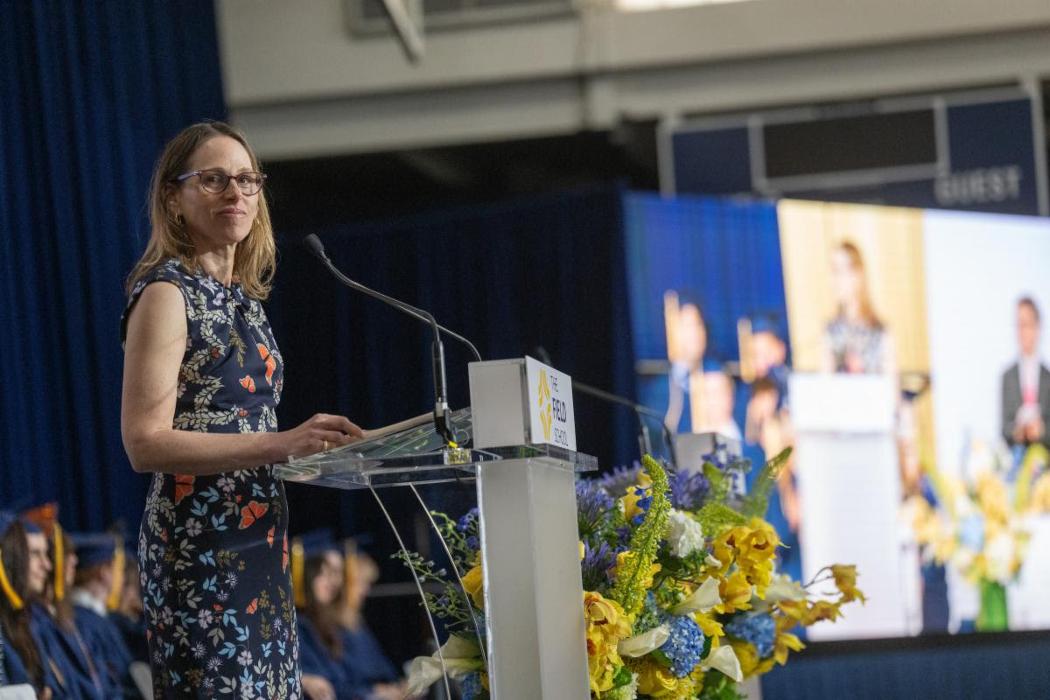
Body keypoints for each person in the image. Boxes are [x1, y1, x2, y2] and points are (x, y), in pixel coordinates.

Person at [120, 121, 364, 698]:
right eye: (213, 180)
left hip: (260, 546)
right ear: (174, 200)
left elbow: (250, 428)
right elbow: (144, 442)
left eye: (247, 180)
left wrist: (319, 455)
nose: (235, 193)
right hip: (200, 552)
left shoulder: (244, 303)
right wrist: (282, 443)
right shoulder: (165, 294)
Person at [70, 533, 140, 698]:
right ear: (104, 572)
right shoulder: (84, 622)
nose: (122, 578)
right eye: (118, 569)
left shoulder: (100, 619)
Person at [820, 241, 897, 377]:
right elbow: (826, 385)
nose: (835, 280)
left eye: (841, 271)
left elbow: (891, 389)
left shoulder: (880, 331)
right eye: (833, 271)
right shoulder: (830, 330)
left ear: (858, 274)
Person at [1002, 297, 1050, 451]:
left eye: (1027, 325)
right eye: (1019, 325)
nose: (1022, 332)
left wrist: (1041, 431)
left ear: (1037, 327)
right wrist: (1019, 431)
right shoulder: (1007, 377)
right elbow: (1004, 428)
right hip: (1018, 461)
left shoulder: (1048, 377)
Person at [663, 291, 708, 433]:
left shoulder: (718, 381)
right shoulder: (659, 390)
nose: (694, 333)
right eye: (686, 326)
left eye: (698, 324)